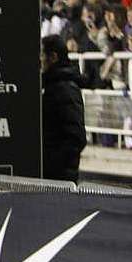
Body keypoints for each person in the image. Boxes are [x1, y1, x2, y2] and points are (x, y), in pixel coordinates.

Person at [41, 35, 87, 182]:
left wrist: (52, 162)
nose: (39, 61)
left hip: (60, 177)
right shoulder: (51, 86)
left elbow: (76, 136)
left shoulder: (66, 89)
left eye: (41, 55)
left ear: (53, 57)